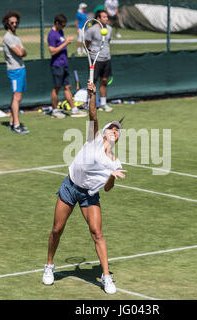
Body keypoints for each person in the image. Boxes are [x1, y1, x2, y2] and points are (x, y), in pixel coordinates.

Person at [42, 80, 127, 295]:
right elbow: (93, 115)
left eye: (117, 131)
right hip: (71, 186)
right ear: (105, 131)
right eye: (112, 127)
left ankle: (106, 277)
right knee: (57, 229)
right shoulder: (93, 138)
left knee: (97, 233)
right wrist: (92, 95)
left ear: (117, 138)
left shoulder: (115, 163)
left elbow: (107, 189)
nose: (114, 131)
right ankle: (49, 266)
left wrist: (111, 176)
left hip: (90, 195)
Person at [47, 14, 87, 118]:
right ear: (57, 23)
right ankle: (55, 111)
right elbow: (52, 51)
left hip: (64, 64)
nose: (63, 27)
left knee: (67, 87)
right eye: (62, 25)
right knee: (56, 88)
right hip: (57, 65)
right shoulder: (52, 34)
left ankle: (74, 109)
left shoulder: (60, 32)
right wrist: (65, 43)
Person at [2, 11, 29, 134]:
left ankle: (12, 122)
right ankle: (16, 125)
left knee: (18, 97)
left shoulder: (16, 37)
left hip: (21, 68)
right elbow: (20, 52)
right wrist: (22, 51)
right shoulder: (7, 37)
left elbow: (24, 51)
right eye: (11, 22)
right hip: (14, 70)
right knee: (16, 97)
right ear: (7, 23)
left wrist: (22, 51)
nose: (14, 24)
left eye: (16, 22)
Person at [85, 10, 114, 112]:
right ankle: (89, 103)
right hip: (95, 60)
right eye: (104, 17)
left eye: (107, 17)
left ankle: (102, 103)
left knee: (104, 81)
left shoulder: (109, 29)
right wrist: (90, 53)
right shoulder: (91, 30)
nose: (106, 19)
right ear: (98, 19)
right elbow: (86, 42)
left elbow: (107, 42)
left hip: (106, 59)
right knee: (92, 82)